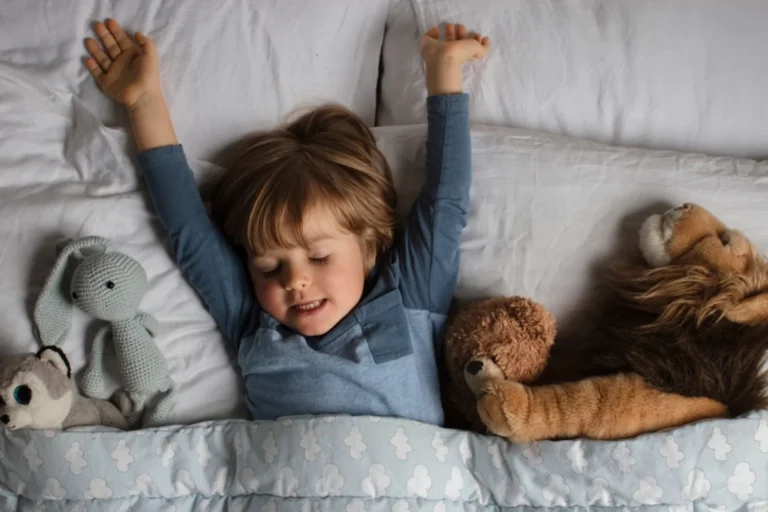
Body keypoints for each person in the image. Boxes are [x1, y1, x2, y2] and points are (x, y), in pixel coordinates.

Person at [83, 18, 490, 425]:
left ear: (369, 245)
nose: (294, 281)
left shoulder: (410, 301)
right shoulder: (253, 325)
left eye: (318, 257)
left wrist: (443, 72)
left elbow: (445, 202)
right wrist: (144, 103)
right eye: (269, 267)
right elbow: (189, 230)